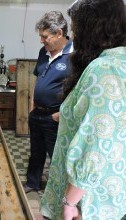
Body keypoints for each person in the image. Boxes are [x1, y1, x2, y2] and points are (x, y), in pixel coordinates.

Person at [41, 0, 126, 219]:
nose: (75, 37)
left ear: (93, 29)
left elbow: (97, 142)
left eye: (76, 28)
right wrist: (70, 114)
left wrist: (70, 201)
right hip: (110, 189)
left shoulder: (103, 69)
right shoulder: (120, 62)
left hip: (88, 200)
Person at [23, 11, 73, 193]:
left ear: (59, 33)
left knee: (57, 156)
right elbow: (37, 79)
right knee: (36, 152)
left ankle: (57, 191)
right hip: (37, 113)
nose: (41, 40)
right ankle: (32, 183)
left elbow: (77, 89)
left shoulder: (74, 55)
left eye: (45, 36)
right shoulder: (43, 52)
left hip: (56, 115)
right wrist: (32, 106)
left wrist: (60, 115)